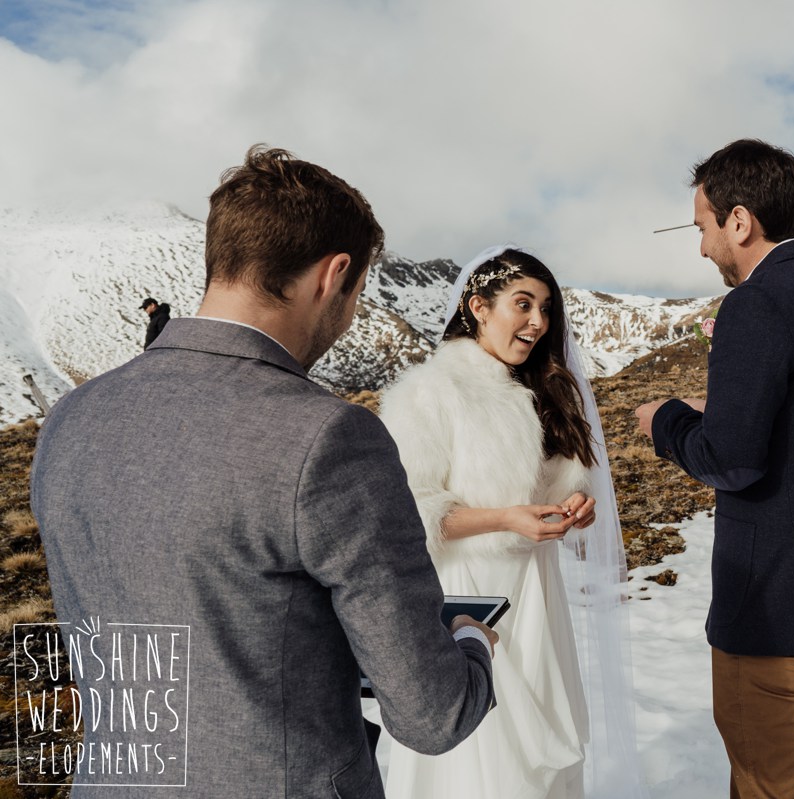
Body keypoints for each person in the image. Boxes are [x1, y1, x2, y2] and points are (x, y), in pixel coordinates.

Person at [31, 146, 496, 798]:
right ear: (333, 275)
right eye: (358, 293)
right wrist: (473, 643)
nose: (350, 316)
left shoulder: (70, 419)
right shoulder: (331, 438)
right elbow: (432, 713)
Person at [635, 139, 794, 799]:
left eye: (703, 227)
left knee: (772, 784)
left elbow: (731, 461)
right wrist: (719, 409)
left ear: (740, 221)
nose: (702, 247)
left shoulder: (756, 302)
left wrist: (665, 420)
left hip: (781, 609)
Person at [374, 246, 644, 799]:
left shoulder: (544, 390)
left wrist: (576, 505)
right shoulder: (430, 392)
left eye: (545, 308)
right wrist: (504, 519)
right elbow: (409, 513)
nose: (538, 322)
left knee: (541, 755)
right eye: (523, 304)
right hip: (465, 600)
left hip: (537, 596)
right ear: (478, 307)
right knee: (481, 760)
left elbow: (561, 484)